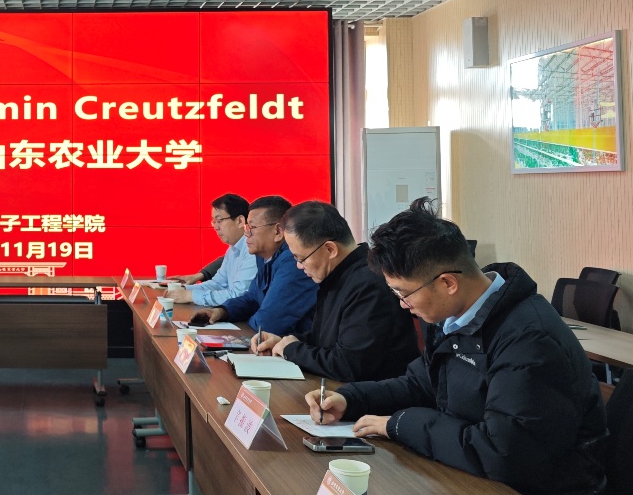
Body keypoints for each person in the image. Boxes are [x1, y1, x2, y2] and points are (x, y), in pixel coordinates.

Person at [307, 198, 607, 495]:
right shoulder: (455, 317)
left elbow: (504, 452)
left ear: (448, 283)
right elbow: (421, 383)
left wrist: (400, 424)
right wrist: (350, 399)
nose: (402, 305)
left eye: (404, 293)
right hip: (471, 473)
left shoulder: (529, 340)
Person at [251, 200, 418, 382]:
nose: (299, 266)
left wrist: (291, 349)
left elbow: (348, 365)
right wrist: (283, 341)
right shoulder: (337, 275)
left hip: (371, 393)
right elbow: (323, 340)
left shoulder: (370, 283)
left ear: (330, 249)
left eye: (301, 258)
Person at [188, 196, 317, 335]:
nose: (246, 233)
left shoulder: (293, 262)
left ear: (278, 231)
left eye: (252, 227)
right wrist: (221, 311)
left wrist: (249, 317)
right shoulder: (263, 257)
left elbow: (268, 323)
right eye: (247, 227)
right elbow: (252, 298)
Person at [167, 194, 257, 306]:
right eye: (214, 221)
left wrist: (191, 296)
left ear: (240, 221)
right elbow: (218, 284)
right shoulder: (232, 249)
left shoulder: (252, 250)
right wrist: (184, 289)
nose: (215, 227)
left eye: (219, 220)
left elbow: (239, 295)